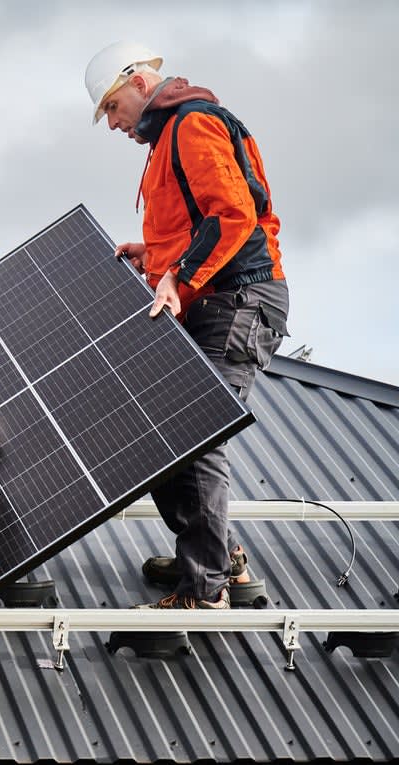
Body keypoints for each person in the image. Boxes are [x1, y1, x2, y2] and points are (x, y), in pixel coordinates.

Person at [85, 42, 291, 609]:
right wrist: (153, 256)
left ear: (137, 83)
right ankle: (220, 555)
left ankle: (205, 588)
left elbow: (232, 215)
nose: (112, 124)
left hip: (238, 300)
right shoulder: (166, 138)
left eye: (110, 107)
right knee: (161, 435)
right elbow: (192, 224)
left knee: (196, 433)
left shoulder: (193, 122)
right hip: (212, 298)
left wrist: (177, 275)